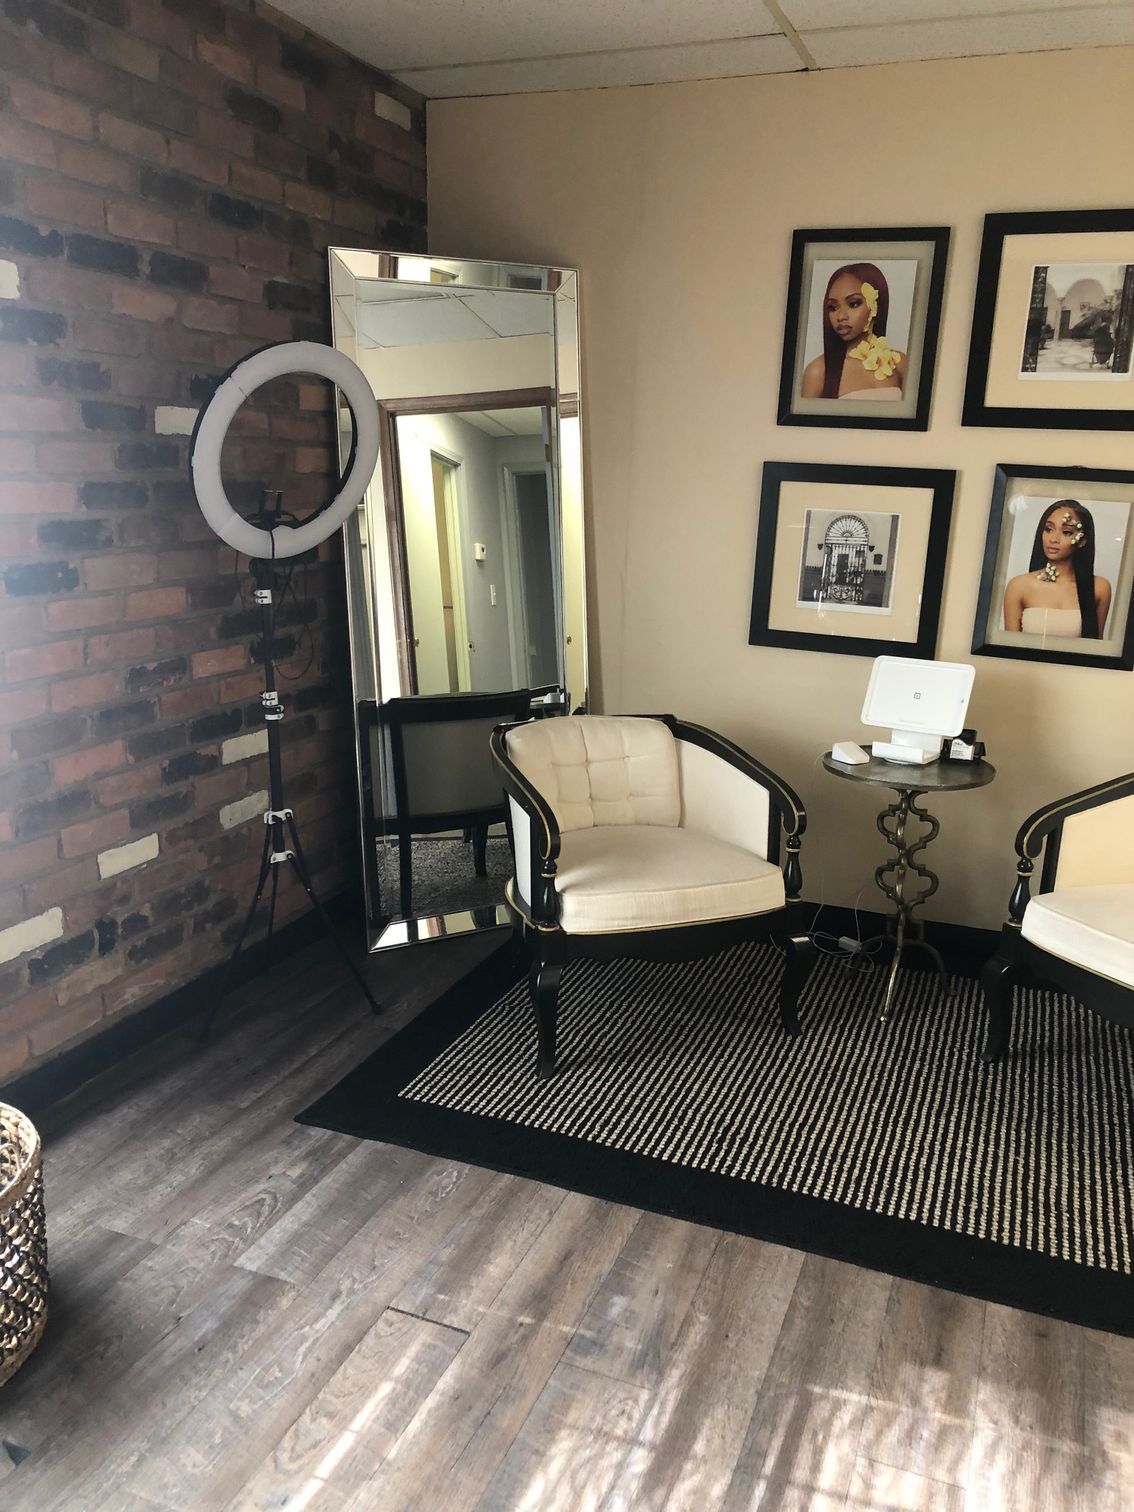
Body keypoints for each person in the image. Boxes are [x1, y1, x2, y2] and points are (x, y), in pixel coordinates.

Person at [1002, 500, 1111, 638]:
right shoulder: (1019, 586)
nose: (1053, 539)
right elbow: (1009, 650)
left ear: (1082, 541)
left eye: (1066, 532)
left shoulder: (1099, 588)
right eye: (1048, 529)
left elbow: (1097, 649)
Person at [801, 262, 907, 400]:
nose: (841, 316)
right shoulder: (817, 372)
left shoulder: (899, 363)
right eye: (833, 307)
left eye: (853, 304)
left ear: (875, 305)